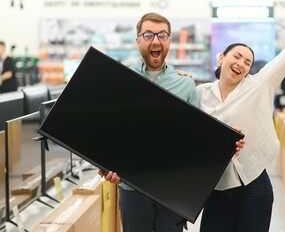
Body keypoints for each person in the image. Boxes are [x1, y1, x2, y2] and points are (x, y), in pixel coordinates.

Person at [98, 12, 245, 232]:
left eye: (162, 35)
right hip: (132, 188)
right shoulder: (121, 80)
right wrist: (105, 164)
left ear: (169, 41)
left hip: (172, 190)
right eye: (148, 35)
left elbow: (195, 138)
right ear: (138, 40)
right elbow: (110, 132)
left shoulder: (185, 84)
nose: (155, 40)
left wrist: (225, 143)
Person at [194, 0, 285, 232]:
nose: (241, 64)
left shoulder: (259, 85)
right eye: (236, 57)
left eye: (248, 62)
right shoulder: (200, 93)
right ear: (221, 58)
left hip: (253, 185)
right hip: (215, 187)